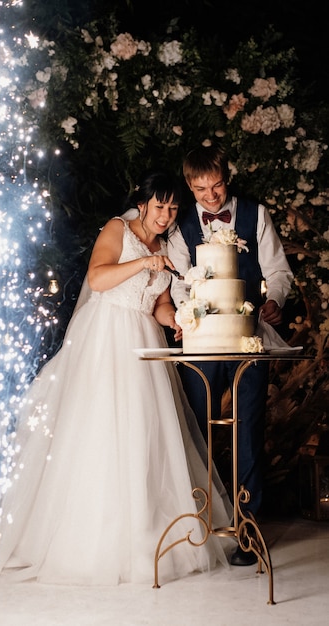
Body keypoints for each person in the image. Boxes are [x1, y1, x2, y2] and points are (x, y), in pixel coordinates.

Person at [0, 170, 233, 586]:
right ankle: (89, 540)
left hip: (143, 339)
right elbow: (98, 278)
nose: (166, 214)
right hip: (106, 337)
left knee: (145, 434)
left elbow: (155, 302)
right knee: (100, 431)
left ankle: (144, 533)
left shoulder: (166, 244)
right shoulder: (118, 229)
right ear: (142, 204)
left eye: (173, 207)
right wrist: (143, 261)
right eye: (160, 206)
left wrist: (177, 321)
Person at [167, 143, 294, 566]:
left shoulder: (255, 215)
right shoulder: (181, 223)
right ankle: (196, 529)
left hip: (248, 339)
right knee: (193, 433)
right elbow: (178, 284)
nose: (211, 195)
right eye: (201, 188)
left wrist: (273, 299)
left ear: (227, 177)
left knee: (248, 432)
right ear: (190, 185)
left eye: (217, 185)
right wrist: (189, 313)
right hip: (201, 343)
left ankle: (247, 532)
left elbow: (277, 270)